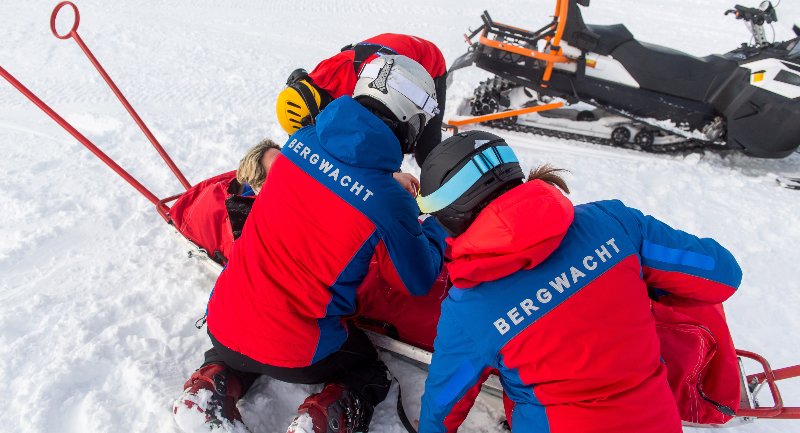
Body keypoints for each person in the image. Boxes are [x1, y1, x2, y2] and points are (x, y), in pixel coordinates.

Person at [172, 55, 448, 433]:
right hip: (299, 349)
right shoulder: (388, 200)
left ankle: (210, 385)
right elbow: (415, 281)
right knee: (367, 369)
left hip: (223, 320)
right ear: (408, 123)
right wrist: (435, 227)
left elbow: (336, 182)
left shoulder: (300, 143)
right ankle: (322, 418)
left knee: (241, 347)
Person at [415, 130, 743, 433]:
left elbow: (443, 408)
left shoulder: (469, 307)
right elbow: (721, 275)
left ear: (451, 216)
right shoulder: (614, 222)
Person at [275, 33, 447, 165]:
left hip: (428, 62)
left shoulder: (362, 82)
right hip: (397, 45)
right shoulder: (314, 82)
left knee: (425, 151)